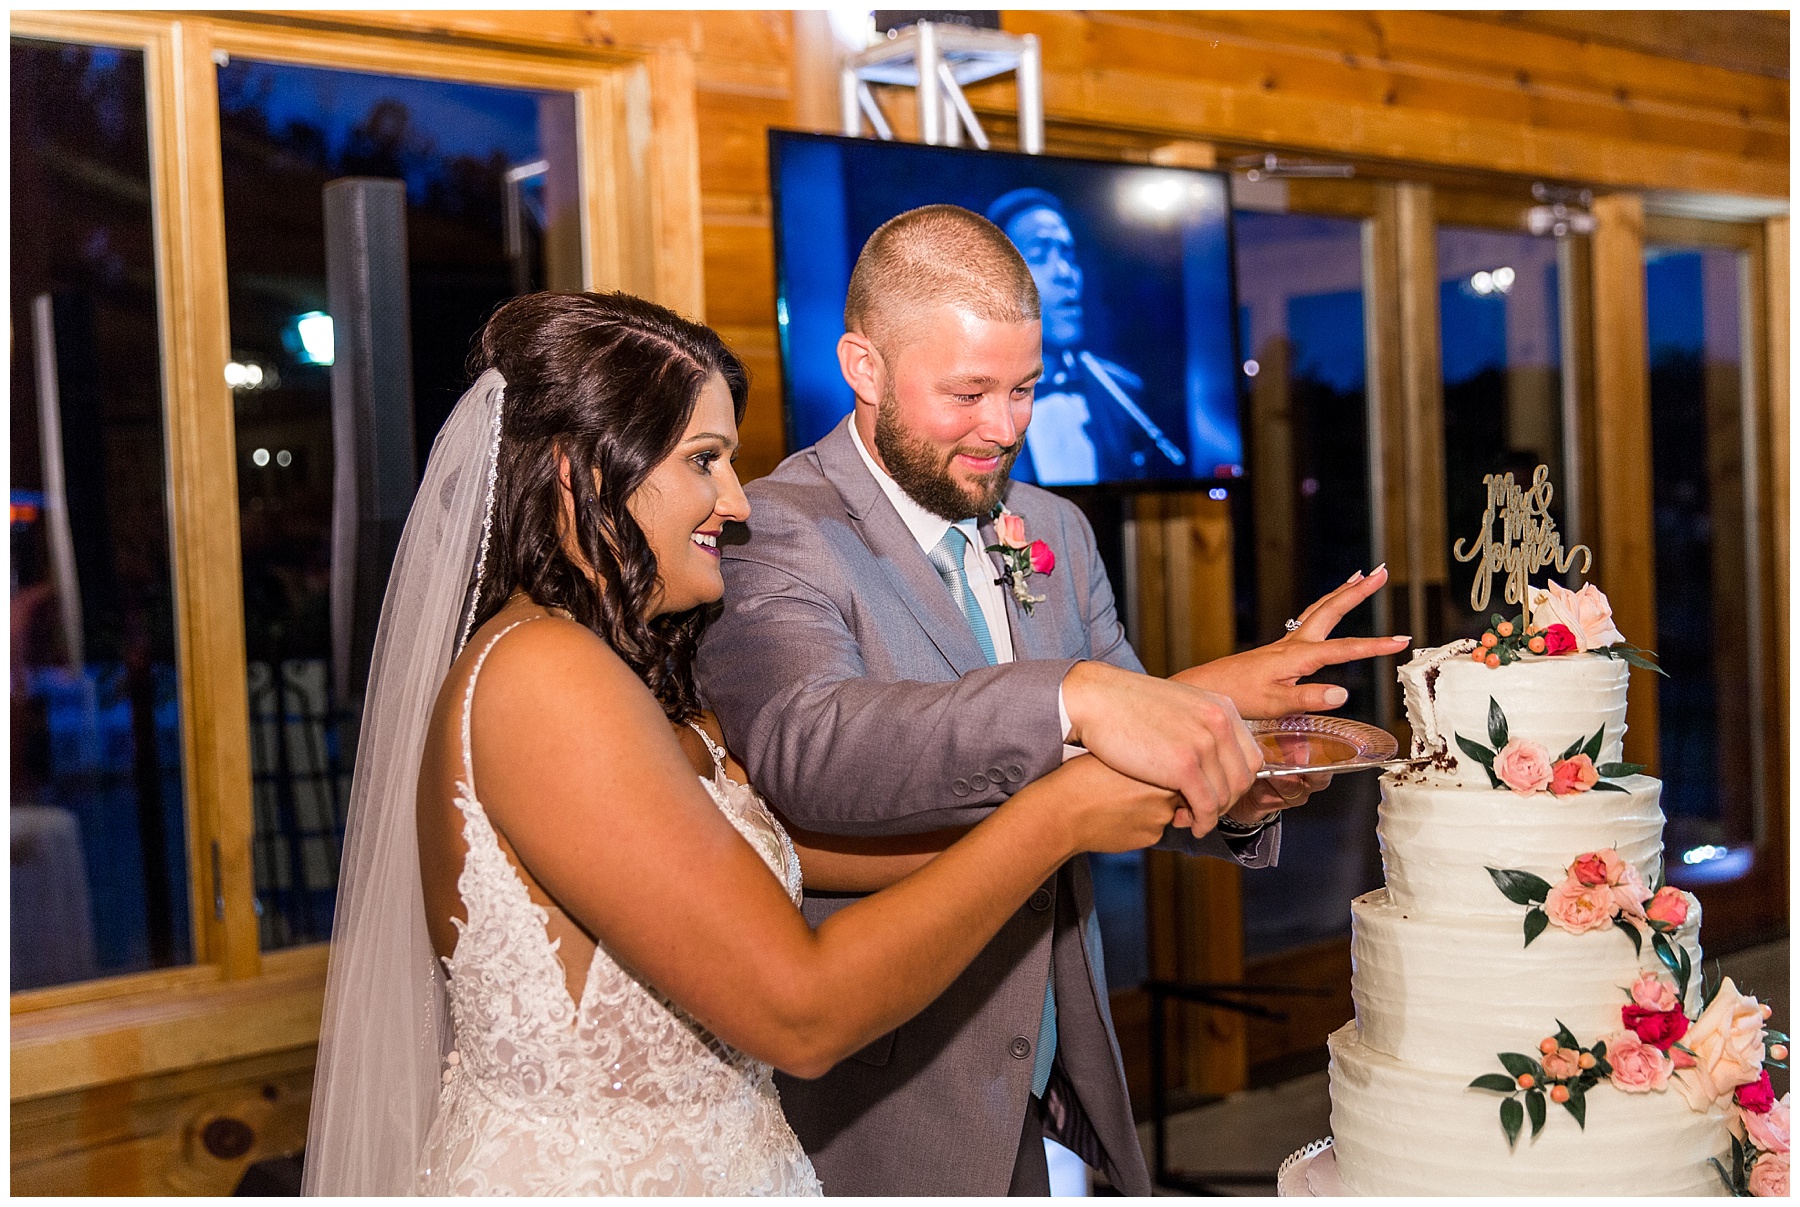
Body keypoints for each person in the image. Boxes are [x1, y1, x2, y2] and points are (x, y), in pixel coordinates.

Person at [301, 291, 1224, 1196]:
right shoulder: (542, 675)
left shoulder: (616, 671)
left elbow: (798, 855)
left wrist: (1169, 743)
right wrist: (1057, 817)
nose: (736, 502)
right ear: (584, 472)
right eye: (704, 460)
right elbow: (803, 1010)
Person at [695, 204, 1406, 1195]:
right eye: (969, 392)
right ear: (862, 367)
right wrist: (1069, 694)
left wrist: (1233, 785)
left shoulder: (1053, 528)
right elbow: (812, 754)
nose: (1008, 426)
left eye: (1025, 387)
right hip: (888, 1090)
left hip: (1051, 1057)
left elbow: (1113, 758)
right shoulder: (771, 531)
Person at [986, 187, 1184, 485]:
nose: (1065, 273)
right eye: (1040, 255)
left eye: (1069, 254)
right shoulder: (971, 401)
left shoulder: (1122, 391)